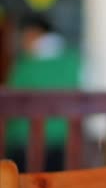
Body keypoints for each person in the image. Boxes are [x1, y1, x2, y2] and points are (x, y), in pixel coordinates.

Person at [6, 12, 81, 171]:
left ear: (33, 33)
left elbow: (8, 103)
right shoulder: (74, 60)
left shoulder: (24, 65)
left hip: (24, 147)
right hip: (66, 145)